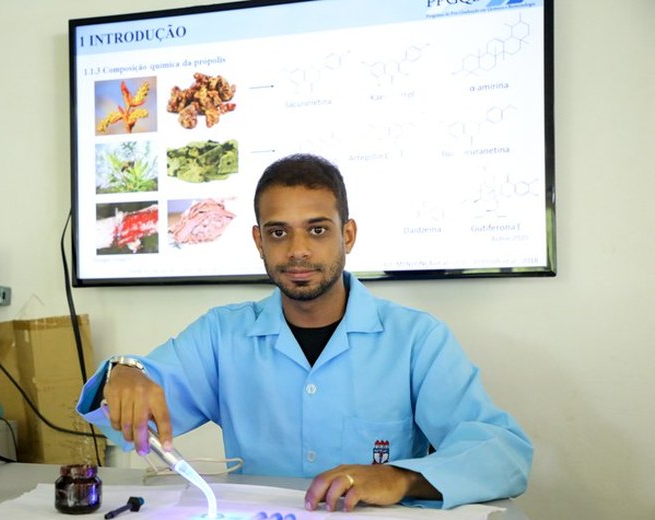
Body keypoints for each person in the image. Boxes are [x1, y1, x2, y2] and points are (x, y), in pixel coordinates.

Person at [76, 153, 533, 512]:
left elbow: (502, 454)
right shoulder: (223, 335)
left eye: (317, 230)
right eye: (278, 233)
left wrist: (399, 477)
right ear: (258, 241)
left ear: (347, 236)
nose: (297, 250)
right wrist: (124, 373)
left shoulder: (416, 340)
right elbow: (139, 412)